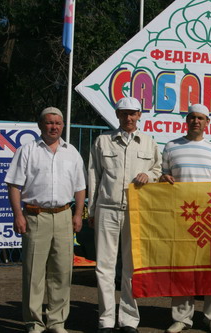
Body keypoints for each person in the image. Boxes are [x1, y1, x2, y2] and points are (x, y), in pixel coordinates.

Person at [5, 107, 86, 333]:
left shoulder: (72, 152)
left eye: (58, 123)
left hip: (63, 216)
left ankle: (57, 322)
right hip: (35, 217)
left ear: (63, 126)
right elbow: (14, 185)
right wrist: (18, 215)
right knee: (34, 273)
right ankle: (34, 323)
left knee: (62, 271)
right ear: (40, 125)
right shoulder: (27, 151)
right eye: (49, 123)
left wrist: (78, 214)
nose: (54, 127)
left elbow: (80, 187)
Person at [88, 97, 162, 333]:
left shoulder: (149, 143)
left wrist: (148, 176)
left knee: (131, 268)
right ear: (117, 115)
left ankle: (129, 319)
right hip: (107, 209)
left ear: (139, 115)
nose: (128, 118)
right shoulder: (102, 142)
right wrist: (91, 209)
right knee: (104, 267)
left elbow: (158, 170)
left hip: (136, 211)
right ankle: (106, 320)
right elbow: (93, 176)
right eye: (123, 114)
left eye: (132, 113)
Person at [160, 104, 211, 333]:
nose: (196, 121)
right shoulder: (171, 147)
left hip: (209, 220)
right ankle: (181, 318)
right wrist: (163, 178)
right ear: (186, 120)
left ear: (208, 122)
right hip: (180, 218)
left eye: (200, 118)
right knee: (182, 269)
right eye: (192, 117)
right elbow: (163, 177)